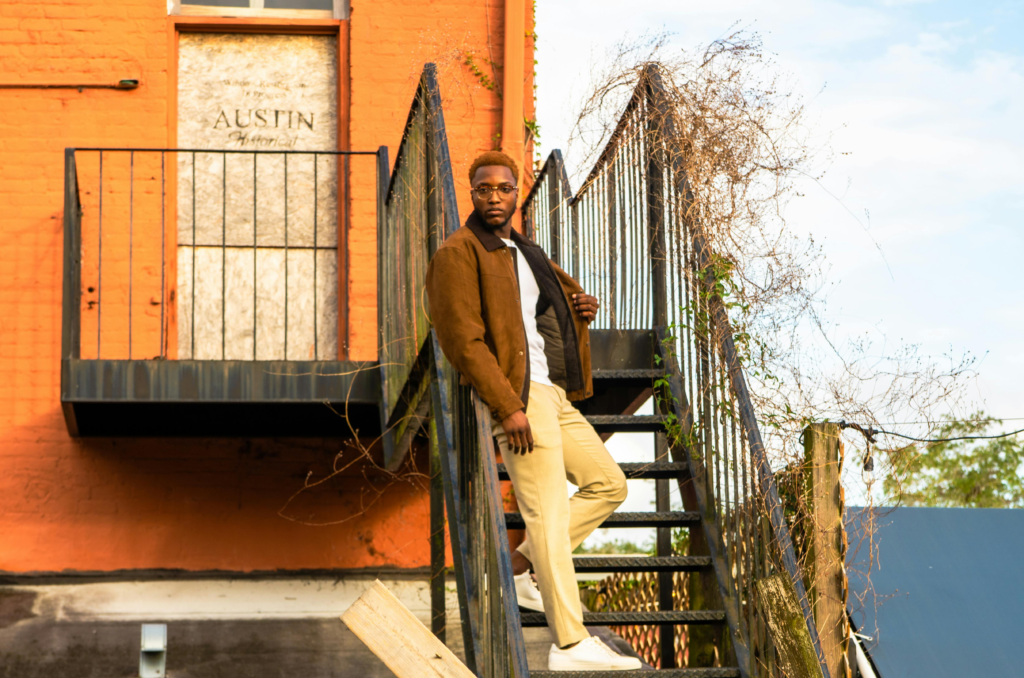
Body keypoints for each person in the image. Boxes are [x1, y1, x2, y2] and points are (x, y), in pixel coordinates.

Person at [425, 151, 641, 671]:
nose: (494, 198)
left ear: (515, 192)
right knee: (545, 514)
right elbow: (464, 341)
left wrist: (579, 309)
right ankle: (569, 643)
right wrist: (507, 405)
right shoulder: (459, 253)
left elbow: (545, 311)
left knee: (609, 484)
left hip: (552, 394)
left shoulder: (524, 249)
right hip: (518, 398)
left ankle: (525, 570)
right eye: (483, 190)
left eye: (503, 189)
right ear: (471, 193)